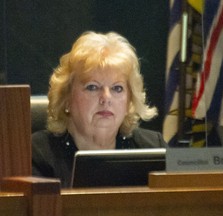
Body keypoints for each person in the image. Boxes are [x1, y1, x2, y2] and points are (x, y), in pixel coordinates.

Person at [32, 31, 167, 187]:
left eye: (117, 88)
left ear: (130, 100)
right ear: (67, 98)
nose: (106, 98)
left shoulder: (154, 147)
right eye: (92, 87)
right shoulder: (38, 154)